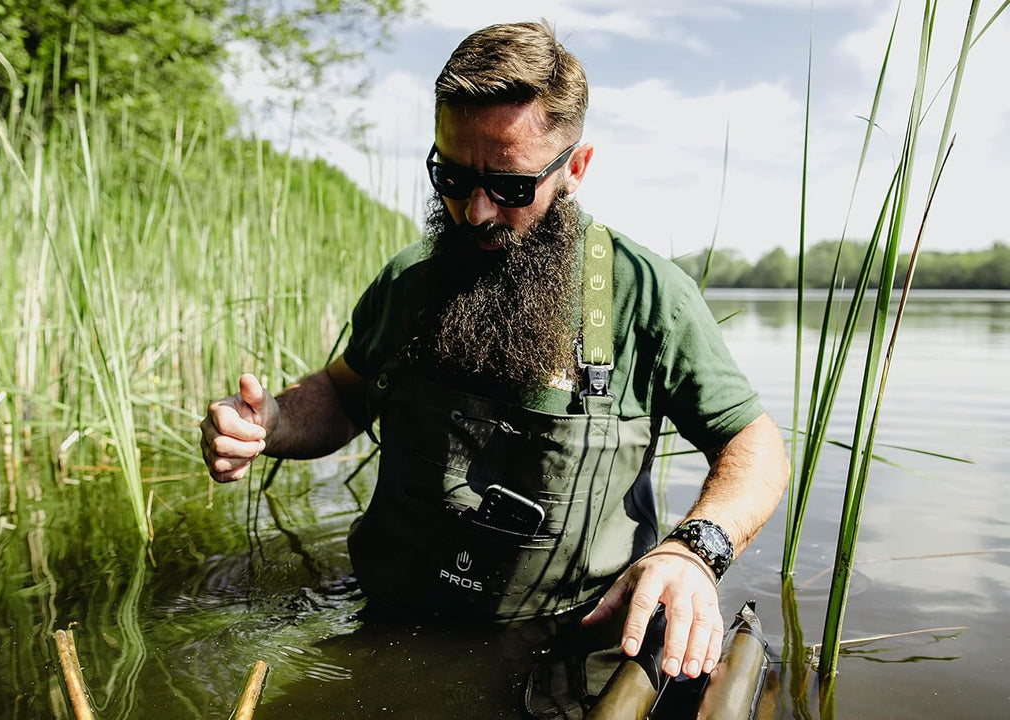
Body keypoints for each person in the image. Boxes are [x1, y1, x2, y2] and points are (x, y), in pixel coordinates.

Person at [200, 20, 789, 686]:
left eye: (509, 187)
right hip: (388, 632)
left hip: (568, 650)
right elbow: (343, 393)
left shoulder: (646, 298)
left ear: (575, 168)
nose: (474, 212)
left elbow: (755, 447)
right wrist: (272, 422)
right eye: (450, 177)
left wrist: (694, 551)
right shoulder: (411, 279)